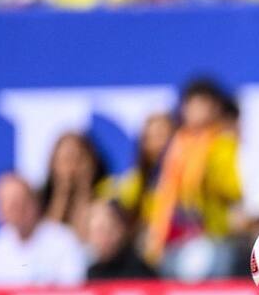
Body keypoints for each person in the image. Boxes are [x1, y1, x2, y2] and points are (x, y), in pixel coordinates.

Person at [143, 77, 242, 280]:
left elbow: (235, 189)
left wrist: (208, 170)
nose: (198, 111)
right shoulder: (176, 145)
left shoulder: (225, 145)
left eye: (204, 104)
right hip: (173, 235)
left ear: (216, 109)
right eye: (193, 104)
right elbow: (163, 190)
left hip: (213, 232)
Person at [0, 172, 86, 287]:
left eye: (20, 201)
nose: (16, 209)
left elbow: (74, 286)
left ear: (35, 202)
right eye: (8, 204)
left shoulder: (63, 239)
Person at [39, 131, 109, 241]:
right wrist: (61, 194)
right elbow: (47, 242)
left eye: (78, 159)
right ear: (53, 164)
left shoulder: (107, 194)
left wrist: (84, 189)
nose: (71, 167)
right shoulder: (40, 199)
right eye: (65, 160)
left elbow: (84, 240)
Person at [86, 198, 157, 280]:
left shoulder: (139, 272)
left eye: (102, 230)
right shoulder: (92, 273)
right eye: (92, 232)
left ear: (119, 230)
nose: (97, 239)